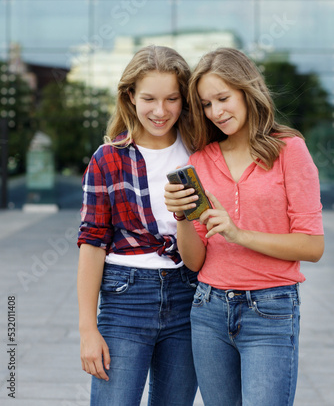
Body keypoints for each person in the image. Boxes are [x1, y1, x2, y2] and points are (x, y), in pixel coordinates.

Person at [164, 48, 324, 406]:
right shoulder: (201, 160)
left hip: (270, 310)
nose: (216, 112)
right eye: (206, 104)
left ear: (247, 91)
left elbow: (312, 246)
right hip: (208, 309)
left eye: (223, 98)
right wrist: (182, 217)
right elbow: (194, 262)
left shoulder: (289, 151)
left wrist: (238, 234)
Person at [77, 45, 198, 406]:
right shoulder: (108, 158)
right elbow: (92, 243)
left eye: (172, 99)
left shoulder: (201, 152)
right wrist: (87, 330)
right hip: (125, 300)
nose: (160, 111)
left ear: (184, 99)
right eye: (149, 98)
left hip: (189, 296)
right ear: (130, 96)